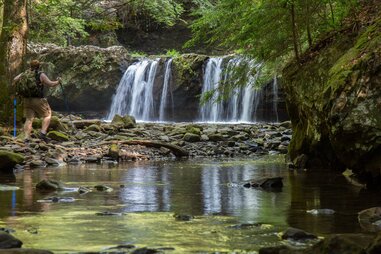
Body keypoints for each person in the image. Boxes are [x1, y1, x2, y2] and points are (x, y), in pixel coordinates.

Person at [13, 60, 61, 142]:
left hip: (26, 99)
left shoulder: (24, 74)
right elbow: (51, 84)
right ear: (39, 66)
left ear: (30, 66)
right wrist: (58, 81)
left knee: (29, 119)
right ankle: (42, 133)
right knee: (47, 115)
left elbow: (15, 79)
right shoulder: (40, 74)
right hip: (38, 99)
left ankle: (26, 138)